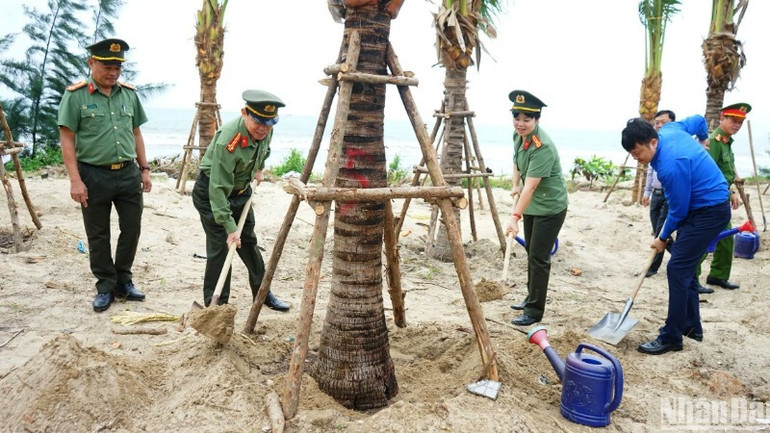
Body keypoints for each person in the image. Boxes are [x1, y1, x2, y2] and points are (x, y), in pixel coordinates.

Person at [621, 116, 729, 355]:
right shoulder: (671, 129)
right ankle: (691, 327)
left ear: (653, 142)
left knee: (677, 268)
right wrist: (703, 140)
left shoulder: (670, 166)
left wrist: (662, 238)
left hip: (708, 211)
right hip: (702, 206)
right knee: (684, 266)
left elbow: (678, 210)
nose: (636, 158)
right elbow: (699, 120)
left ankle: (671, 337)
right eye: (631, 154)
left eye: (637, 152)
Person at [58, 38, 151, 312]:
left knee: (131, 228)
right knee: (98, 234)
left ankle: (124, 280)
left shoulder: (129, 94)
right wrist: (75, 180)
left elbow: (136, 133)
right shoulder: (76, 96)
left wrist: (144, 169)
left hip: (128, 174)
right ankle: (105, 285)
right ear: (91, 63)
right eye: (107, 67)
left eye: (117, 67)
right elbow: (67, 139)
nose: (113, 72)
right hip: (93, 175)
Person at [192, 89, 290, 311]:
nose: (263, 128)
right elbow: (217, 188)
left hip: (241, 192)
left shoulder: (265, 130)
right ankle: (217, 307)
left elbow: (263, 150)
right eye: (258, 122)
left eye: (269, 123)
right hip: (212, 194)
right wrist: (229, 227)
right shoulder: (228, 141)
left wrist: (259, 169)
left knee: (249, 242)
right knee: (221, 248)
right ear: (244, 113)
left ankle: (262, 293)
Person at [506, 90, 568, 326]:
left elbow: (531, 187)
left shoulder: (543, 147)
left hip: (550, 207)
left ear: (537, 119)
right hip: (532, 204)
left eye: (527, 119)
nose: (520, 123)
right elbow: (516, 160)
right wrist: (515, 184)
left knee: (539, 257)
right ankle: (531, 297)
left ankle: (533, 311)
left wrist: (514, 217)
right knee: (531, 251)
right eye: (517, 118)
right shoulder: (519, 135)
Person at [696, 102, 751, 291]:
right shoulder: (714, 142)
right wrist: (728, 192)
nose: (737, 125)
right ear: (722, 118)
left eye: (740, 122)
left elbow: (725, 173)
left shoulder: (726, 142)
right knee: (706, 240)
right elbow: (709, 173)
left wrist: (731, 191)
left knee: (727, 239)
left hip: (721, 198)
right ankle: (691, 277)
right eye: (733, 120)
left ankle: (718, 275)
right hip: (710, 200)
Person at [641, 110, 676, 280]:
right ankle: (680, 257)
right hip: (656, 194)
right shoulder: (653, 145)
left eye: (664, 122)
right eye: (657, 123)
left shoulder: (674, 145)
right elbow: (650, 172)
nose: (660, 126)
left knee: (661, 231)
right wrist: (647, 191)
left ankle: (654, 266)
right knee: (658, 230)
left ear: (672, 123)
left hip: (669, 195)